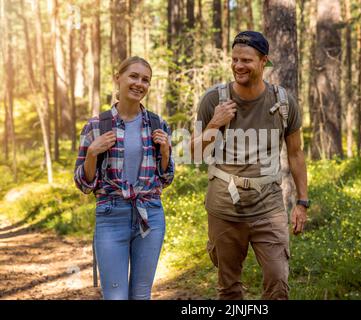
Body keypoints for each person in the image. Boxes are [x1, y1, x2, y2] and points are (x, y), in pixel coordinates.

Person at [191, 31, 309, 300]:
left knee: (278, 281)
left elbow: (296, 153)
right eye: (234, 59)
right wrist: (214, 124)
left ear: (263, 61)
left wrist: (302, 202)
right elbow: (195, 152)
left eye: (246, 60)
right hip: (224, 204)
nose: (238, 66)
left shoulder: (283, 102)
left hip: (268, 204)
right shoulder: (214, 100)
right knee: (229, 287)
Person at [74, 56, 174, 300]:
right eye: (133, 76)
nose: (139, 83)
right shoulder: (97, 125)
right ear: (117, 78)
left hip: (150, 215)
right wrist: (91, 154)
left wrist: (165, 152)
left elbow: (166, 177)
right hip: (111, 215)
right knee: (115, 296)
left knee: (141, 295)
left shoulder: (157, 123)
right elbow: (83, 183)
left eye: (145, 79)